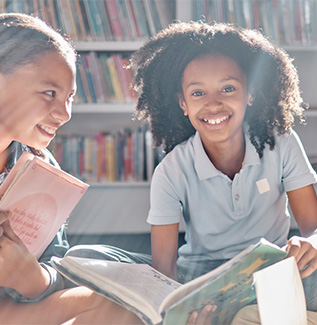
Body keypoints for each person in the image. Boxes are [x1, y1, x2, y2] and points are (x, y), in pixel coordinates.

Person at [129, 20, 317, 321]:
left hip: (270, 271)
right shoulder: (171, 171)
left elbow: (313, 228)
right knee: (94, 260)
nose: (213, 104)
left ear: (250, 95)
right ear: (183, 104)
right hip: (203, 278)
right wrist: (176, 309)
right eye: (198, 93)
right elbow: (162, 272)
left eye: (228, 88)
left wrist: (311, 243)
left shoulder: (281, 143)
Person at [0, 13, 142, 324]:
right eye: (50, 93)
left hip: (5, 308)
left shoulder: (42, 168)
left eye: (70, 97)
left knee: (118, 306)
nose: (65, 113)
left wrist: (33, 277)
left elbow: (52, 266)